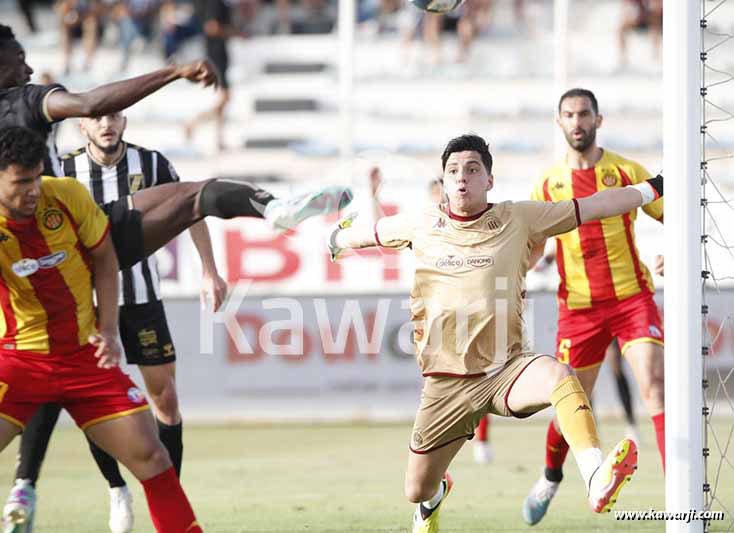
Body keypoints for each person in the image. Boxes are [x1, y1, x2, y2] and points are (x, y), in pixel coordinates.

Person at [329, 133, 664, 532]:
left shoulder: (518, 217)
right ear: (444, 179)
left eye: (472, 169)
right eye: (453, 170)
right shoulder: (422, 223)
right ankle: (434, 497)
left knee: (562, 376)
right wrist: (337, 239)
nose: (461, 178)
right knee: (416, 489)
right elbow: (363, 235)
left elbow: (594, 206)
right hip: (445, 384)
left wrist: (655, 187)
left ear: (489, 179)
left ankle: (595, 478)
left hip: (507, 370)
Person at [4, 112, 226, 533]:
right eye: (21, 183)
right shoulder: (49, 184)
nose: (33, 190)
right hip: (46, 335)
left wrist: (209, 271)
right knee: (99, 413)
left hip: (114, 327)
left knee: (159, 427)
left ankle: (158, 498)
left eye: (36, 178)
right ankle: (103, 490)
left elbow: (176, 214)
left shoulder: (122, 173)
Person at [0, 22, 353, 270]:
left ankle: (275, 209)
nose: (30, 69)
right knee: (194, 197)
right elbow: (90, 104)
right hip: (68, 242)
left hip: (23, 258)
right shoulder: (25, 100)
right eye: (19, 61)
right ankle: (275, 209)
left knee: (196, 196)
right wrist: (173, 72)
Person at [522, 88, 664, 526]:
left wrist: (676, 251)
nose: (577, 121)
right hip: (579, 309)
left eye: (584, 113)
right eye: (569, 115)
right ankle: (550, 477)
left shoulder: (626, 171)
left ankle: (680, 496)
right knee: (569, 404)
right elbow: (533, 248)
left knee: (654, 383)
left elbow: (673, 213)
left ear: (598, 120)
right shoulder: (547, 184)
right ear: (559, 122)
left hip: (631, 298)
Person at [183, 0, 247, 152]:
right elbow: (212, 28)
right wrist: (236, 33)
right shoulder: (215, 4)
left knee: (223, 100)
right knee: (226, 98)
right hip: (216, 53)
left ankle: (219, 139)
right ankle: (194, 123)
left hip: (218, 52)